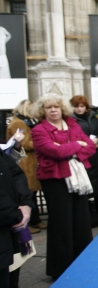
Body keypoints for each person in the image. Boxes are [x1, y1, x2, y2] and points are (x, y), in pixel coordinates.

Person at [30, 93, 95, 280]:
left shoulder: (73, 124)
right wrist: (76, 145)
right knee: (61, 223)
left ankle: (84, 262)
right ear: (42, 111)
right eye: (48, 107)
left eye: (56, 107)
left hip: (77, 178)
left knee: (81, 221)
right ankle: (60, 268)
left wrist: (69, 147)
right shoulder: (39, 130)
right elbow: (53, 151)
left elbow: (90, 147)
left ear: (62, 108)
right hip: (55, 179)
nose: (52, 110)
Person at [0, 147, 34, 288]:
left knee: (8, 269)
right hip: (7, 217)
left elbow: (15, 174)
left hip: (9, 225)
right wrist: (14, 214)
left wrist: (25, 204)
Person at [6, 100, 45, 233]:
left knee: (33, 192)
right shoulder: (18, 123)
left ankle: (36, 220)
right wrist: (42, 142)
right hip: (25, 162)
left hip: (30, 161)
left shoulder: (25, 122)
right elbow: (24, 144)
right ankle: (30, 222)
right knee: (28, 192)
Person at [70, 95, 98, 226]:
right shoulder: (71, 120)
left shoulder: (94, 117)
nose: (79, 109)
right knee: (87, 187)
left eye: (82, 106)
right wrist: (88, 144)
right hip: (84, 155)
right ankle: (90, 217)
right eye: (77, 107)